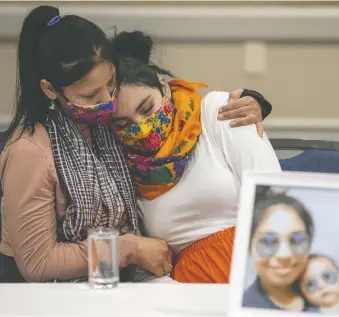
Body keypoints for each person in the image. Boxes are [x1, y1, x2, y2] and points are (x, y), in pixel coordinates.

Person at [0, 6, 274, 283]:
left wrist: (252, 101)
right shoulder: (30, 152)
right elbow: (37, 263)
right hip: (61, 294)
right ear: (50, 90)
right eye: (91, 94)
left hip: (132, 283)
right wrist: (127, 249)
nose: (108, 100)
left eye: (110, 84)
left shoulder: (107, 128)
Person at [108, 30, 281, 284]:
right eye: (124, 124)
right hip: (186, 291)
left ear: (163, 87)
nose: (142, 127)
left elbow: (276, 198)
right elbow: (147, 262)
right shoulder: (125, 165)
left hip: (261, 269)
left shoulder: (217, 111)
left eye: (147, 108)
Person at [242, 190, 319, 312]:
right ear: (248, 246)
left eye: (297, 240)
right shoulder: (245, 308)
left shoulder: (321, 295)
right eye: (268, 242)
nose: (284, 254)